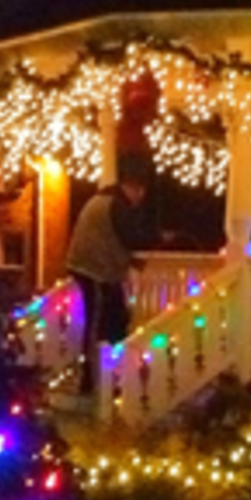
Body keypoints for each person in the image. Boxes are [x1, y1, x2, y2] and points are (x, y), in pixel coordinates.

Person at [64, 154, 153, 392]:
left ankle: (108, 373)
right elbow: (130, 238)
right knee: (98, 323)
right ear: (132, 187)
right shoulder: (117, 205)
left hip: (96, 268)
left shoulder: (104, 199)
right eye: (140, 191)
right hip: (94, 269)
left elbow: (113, 238)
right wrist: (154, 242)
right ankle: (91, 379)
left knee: (116, 317)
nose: (140, 197)